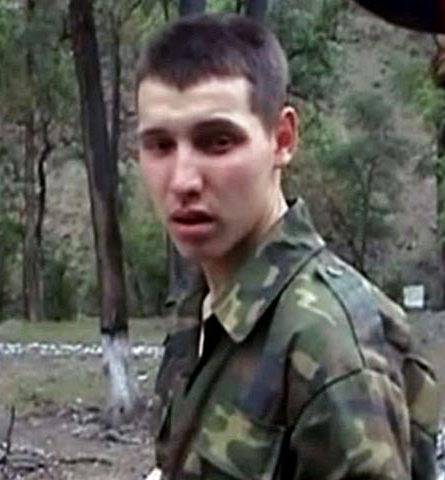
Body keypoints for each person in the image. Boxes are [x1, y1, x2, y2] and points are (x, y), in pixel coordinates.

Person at [135, 13, 439, 479]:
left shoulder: (329, 344)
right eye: (160, 145)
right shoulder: (204, 307)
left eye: (218, 142)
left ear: (282, 139)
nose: (182, 181)